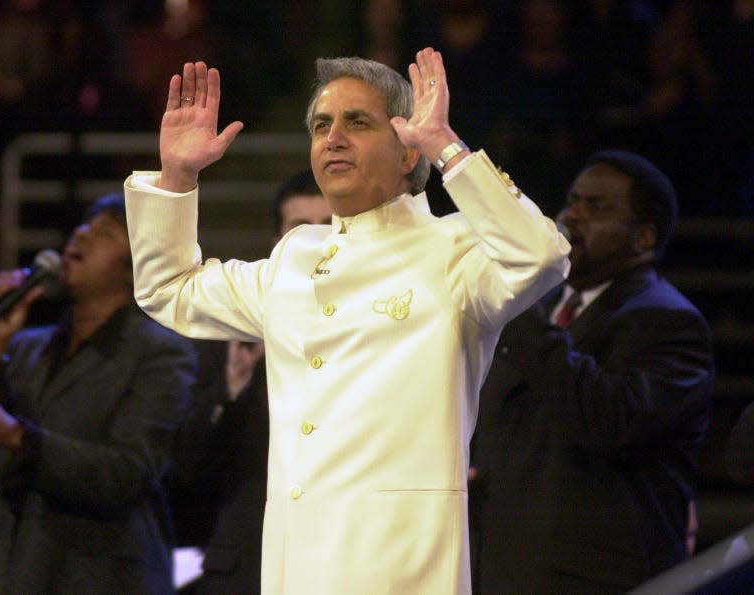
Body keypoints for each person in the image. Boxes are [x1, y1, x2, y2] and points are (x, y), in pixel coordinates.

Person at [124, 48, 570, 594]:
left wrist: (447, 146)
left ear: (408, 152)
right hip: (294, 566)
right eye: (320, 125)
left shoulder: (455, 246)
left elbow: (543, 257)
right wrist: (177, 175)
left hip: (399, 564)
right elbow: (169, 288)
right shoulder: (294, 255)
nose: (333, 138)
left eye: (357, 122)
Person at [469, 149, 715, 594]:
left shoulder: (671, 324)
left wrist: (522, 306)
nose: (571, 215)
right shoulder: (542, 309)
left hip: (597, 579)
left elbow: (607, 421)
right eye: (572, 200)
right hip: (500, 567)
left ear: (643, 237)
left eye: (596, 207)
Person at [0, 193, 196, 594]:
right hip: (11, 574)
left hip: (100, 578)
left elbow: (127, 474)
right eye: (84, 226)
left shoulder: (159, 352)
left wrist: (18, 436)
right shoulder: (26, 346)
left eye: (104, 233)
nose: (81, 235)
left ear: (133, 268)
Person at [168, 170, 331, 594]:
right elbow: (189, 469)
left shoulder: (376, 329)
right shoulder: (231, 330)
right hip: (245, 569)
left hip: (340, 562)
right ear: (278, 240)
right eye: (299, 228)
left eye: (327, 226)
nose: (314, 240)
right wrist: (233, 386)